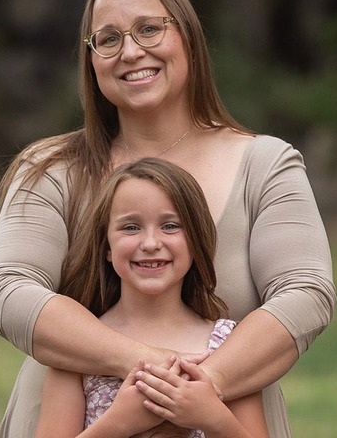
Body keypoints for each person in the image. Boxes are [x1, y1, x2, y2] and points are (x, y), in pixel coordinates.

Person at [0, 0, 336, 437]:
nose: (131, 51)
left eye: (149, 28)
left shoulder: (265, 165)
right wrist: (152, 372)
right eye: (108, 39)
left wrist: (203, 389)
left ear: (188, 36)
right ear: (91, 59)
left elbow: (306, 294)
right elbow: (9, 290)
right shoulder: (50, 170)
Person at [35, 158, 268, 437]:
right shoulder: (77, 348)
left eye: (170, 226)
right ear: (106, 246)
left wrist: (214, 418)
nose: (150, 243)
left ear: (195, 240)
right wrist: (118, 423)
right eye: (131, 227)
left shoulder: (228, 345)